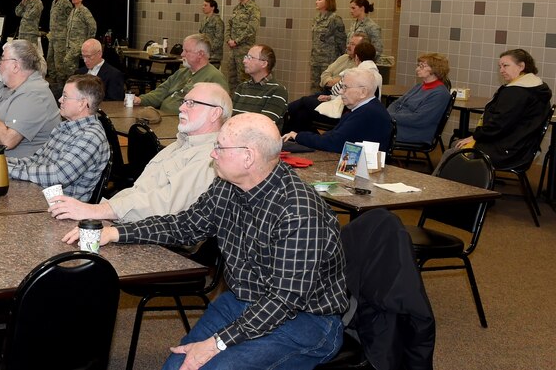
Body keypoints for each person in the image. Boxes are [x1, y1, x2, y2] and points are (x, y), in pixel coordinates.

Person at [71, 113, 348, 370]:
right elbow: (185, 225)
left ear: (248, 157)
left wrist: (217, 343)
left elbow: (284, 300)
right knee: (179, 365)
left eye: (220, 148)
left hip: (307, 320)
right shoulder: (227, 186)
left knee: (210, 366)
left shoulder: (298, 211)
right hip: (245, 300)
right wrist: (116, 232)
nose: (212, 154)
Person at [50, 82, 231, 222]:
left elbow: (163, 207)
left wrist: (96, 211)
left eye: (191, 104)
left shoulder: (211, 158)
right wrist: (99, 210)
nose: (181, 108)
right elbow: (138, 191)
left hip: (161, 245)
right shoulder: (178, 146)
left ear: (215, 114)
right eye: (184, 102)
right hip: (129, 221)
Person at [4, 75, 108, 201]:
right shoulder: (64, 127)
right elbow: (37, 160)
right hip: (39, 196)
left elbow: (58, 176)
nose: (59, 100)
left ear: (82, 104)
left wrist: (7, 169)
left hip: (59, 209)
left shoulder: (90, 137)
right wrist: (2, 161)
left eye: (65, 96)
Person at [450, 48, 552, 167]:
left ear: (521, 66)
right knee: (456, 145)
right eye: (500, 67)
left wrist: (475, 136)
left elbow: (498, 125)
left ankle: (447, 185)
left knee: (454, 150)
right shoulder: (537, 87)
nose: (501, 70)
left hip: (508, 150)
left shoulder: (517, 92)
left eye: (505, 66)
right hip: (522, 147)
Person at [0, 40, 60, 159]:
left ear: (15, 66)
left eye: (2, 58)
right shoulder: (1, 87)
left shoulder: (34, 94)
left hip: (13, 172)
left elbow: (7, 141)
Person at [284, 67, 392, 152]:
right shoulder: (365, 109)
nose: (340, 92)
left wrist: (298, 136)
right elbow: (334, 136)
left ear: (363, 92)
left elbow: (333, 142)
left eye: (345, 87)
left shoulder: (368, 113)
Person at [285, 37, 378, 133]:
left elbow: (337, 90)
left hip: (341, 110)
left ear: (358, 56)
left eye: (353, 44)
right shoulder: (372, 72)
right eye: (349, 43)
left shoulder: (356, 72)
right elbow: (325, 75)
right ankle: (296, 138)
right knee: (301, 112)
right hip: (337, 101)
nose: (348, 46)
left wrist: (332, 87)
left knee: (304, 102)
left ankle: (282, 113)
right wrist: (331, 90)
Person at [133, 34, 227, 113]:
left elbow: (218, 111)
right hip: (164, 117)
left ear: (200, 54)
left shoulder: (214, 78)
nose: (182, 54)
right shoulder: (181, 73)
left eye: (186, 51)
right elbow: (160, 92)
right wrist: (141, 100)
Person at [388, 53, 452, 144]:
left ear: (435, 69)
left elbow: (419, 119)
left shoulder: (440, 94)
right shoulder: (419, 86)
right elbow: (397, 103)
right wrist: (387, 114)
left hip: (416, 132)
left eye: (422, 66)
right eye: (418, 66)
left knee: (372, 128)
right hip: (400, 124)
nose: (417, 69)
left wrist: (388, 117)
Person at [231, 44, 289, 130]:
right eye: (246, 57)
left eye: (250, 58)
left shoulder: (277, 91)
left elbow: (263, 126)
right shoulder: (241, 87)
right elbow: (229, 117)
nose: (244, 61)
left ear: (264, 63)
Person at [225, 0, 261, 89]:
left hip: (244, 50)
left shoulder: (253, 8)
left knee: (244, 79)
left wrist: (237, 41)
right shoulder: (236, 8)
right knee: (231, 79)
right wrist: (228, 40)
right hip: (232, 50)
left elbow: (251, 29)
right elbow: (229, 25)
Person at [310, 0, 347, 91]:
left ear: (327, 2)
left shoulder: (335, 19)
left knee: (327, 89)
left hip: (329, 62)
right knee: (315, 89)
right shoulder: (316, 19)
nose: (316, 2)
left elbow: (342, 42)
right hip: (316, 60)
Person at [62, 0, 96, 80]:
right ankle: (74, 83)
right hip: (69, 43)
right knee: (71, 65)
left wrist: (89, 41)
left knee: (67, 61)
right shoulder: (73, 11)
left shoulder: (84, 11)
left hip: (78, 43)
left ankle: (74, 82)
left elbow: (92, 25)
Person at [46, 0, 73, 80]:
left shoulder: (66, 3)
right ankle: (53, 80)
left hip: (61, 38)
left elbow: (71, 19)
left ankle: (61, 82)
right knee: (50, 59)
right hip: (53, 37)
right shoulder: (54, 2)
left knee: (59, 62)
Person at [199, 0, 224, 68]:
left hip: (214, 55)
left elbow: (219, 39)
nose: (203, 7)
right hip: (204, 53)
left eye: (205, 5)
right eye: (203, 5)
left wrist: (208, 49)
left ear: (212, 8)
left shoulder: (218, 21)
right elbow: (200, 34)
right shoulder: (204, 20)